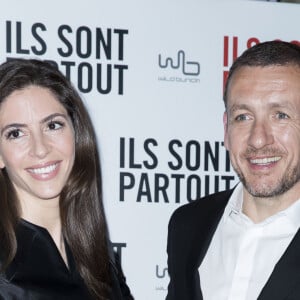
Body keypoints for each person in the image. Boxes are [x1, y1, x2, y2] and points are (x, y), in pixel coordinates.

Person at [166, 40, 300, 300]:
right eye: (243, 117)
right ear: (226, 128)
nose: (258, 139)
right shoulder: (187, 226)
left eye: (280, 115)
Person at [0, 58, 133, 300]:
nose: (40, 149)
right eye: (16, 133)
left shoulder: (99, 255)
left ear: (76, 132)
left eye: (53, 125)